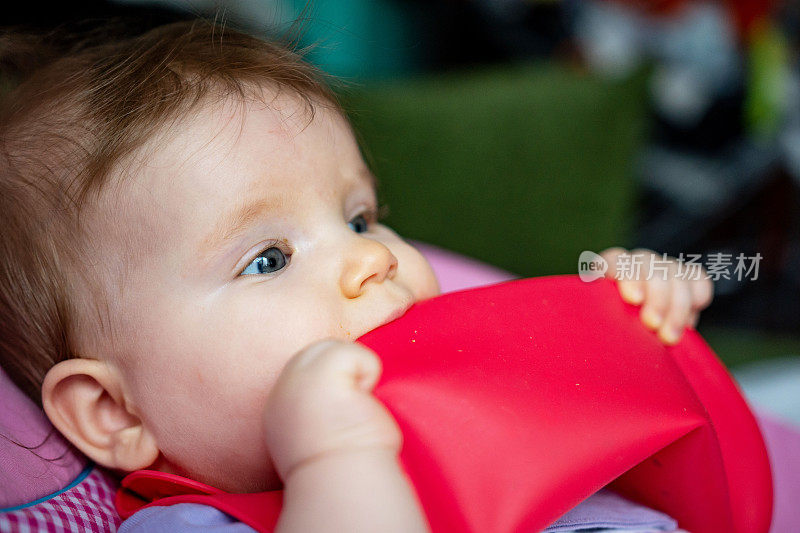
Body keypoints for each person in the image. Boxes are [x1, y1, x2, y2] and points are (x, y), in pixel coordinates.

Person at [0, 20, 712, 532]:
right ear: (113, 412)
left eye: (362, 217)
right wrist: (334, 459)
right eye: (269, 258)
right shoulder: (190, 524)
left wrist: (631, 324)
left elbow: (660, 453)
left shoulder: (485, 395)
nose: (372, 258)